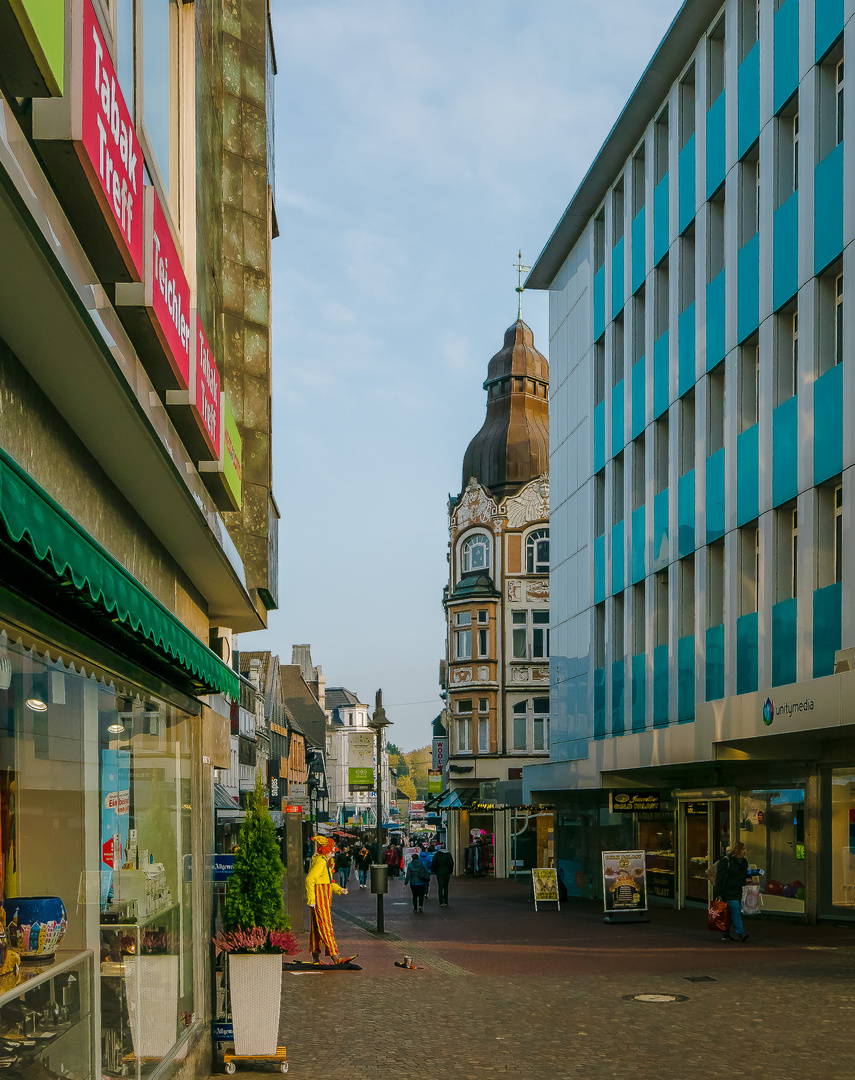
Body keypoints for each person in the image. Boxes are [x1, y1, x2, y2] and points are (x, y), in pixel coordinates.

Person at [305, 836, 356, 965]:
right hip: (320, 898)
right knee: (326, 926)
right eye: (333, 848)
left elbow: (327, 882)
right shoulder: (322, 861)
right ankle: (335, 956)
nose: (335, 850)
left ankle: (316, 957)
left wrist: (339, 889)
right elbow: (310, 880)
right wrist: (311, 899)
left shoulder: (323, 860)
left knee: (316, 927)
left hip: (323, 896)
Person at [713, 841, 752, 942]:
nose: (745, 851)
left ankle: (726, 932)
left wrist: (748, 879)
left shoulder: (744, 861)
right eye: (743, 849)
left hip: (738, 889)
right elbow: (720, 878)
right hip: (728, 890)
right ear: (738, 850)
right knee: (736, 910)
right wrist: (719, 892)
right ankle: (740, 932)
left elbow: (744, 874)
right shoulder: (726, 861)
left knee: (730, 912)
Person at [431, 842, 454, 907]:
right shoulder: (448, 855)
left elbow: (434, 864)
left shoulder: (437, 855)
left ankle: (441, 902)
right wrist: (450, 871)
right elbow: (451, 863)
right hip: (447, 872)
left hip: (439, 872)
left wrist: (435, 871)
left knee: (440, 887)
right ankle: (446, 901)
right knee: (446, 886)